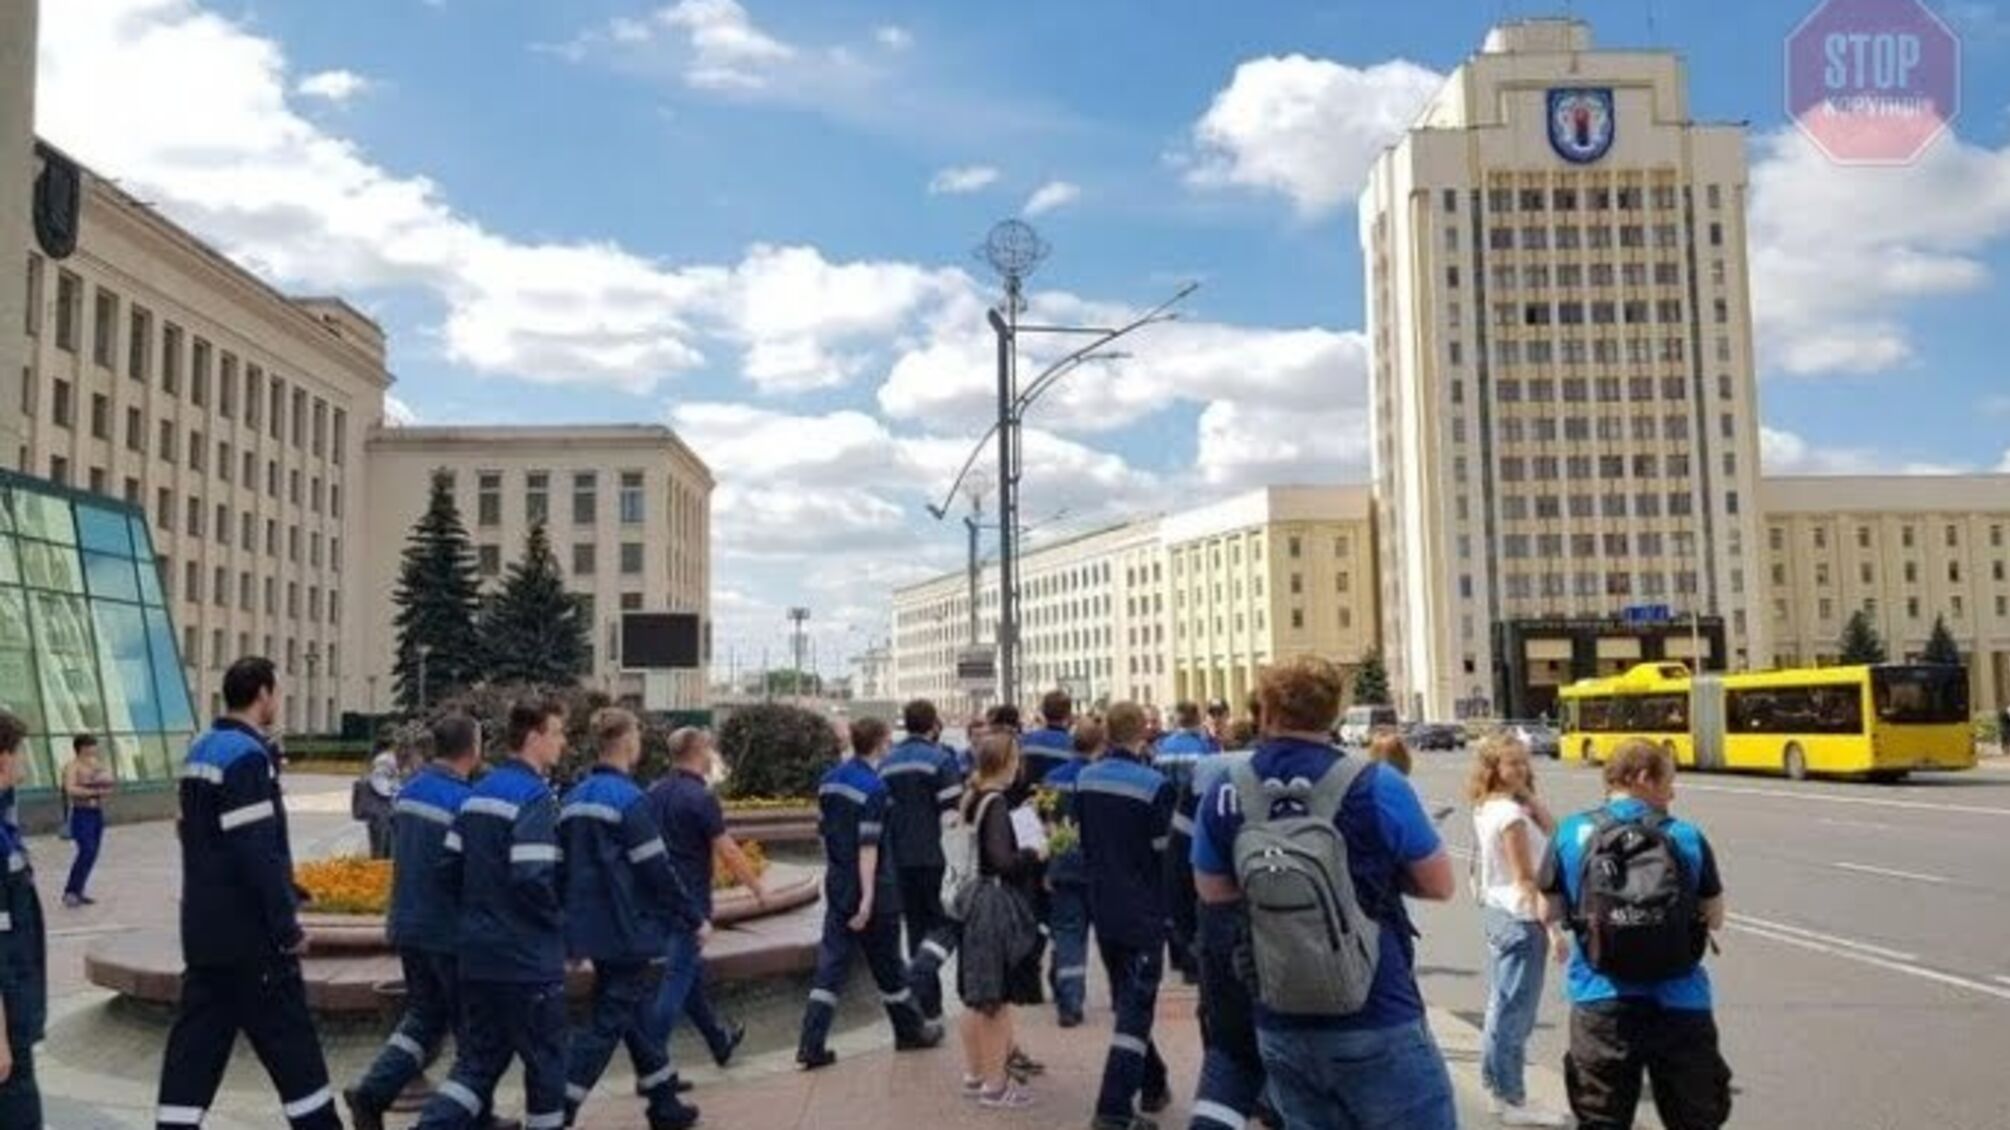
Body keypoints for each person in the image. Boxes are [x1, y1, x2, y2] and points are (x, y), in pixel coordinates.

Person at [1192, 656, 1459, 1130]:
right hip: (1378, 1007)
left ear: (1266, 710)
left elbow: (1213, 893)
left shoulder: (1225, 790)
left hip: (1280, 1014)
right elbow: (1440, 884)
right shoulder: (1376, 784)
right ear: (1335, 712)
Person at [155, 657, 341, 1130]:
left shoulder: (202, 749)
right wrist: (286, 928)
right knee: (296, 1058)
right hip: (253, 943)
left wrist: (290, 886)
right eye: (275, 692)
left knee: (193, 1057)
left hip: (205, 936)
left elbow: (202, 837)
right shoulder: (248, 757)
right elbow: (254, 851)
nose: (276, 701)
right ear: (262, 694)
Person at [1540, 739, 1731, 1130]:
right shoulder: (1686, 836)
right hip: (1680, 1001)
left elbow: (1549, 910)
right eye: (1668, 781)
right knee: (1696, 1119)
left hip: (1600, 998)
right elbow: (1715, 918)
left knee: (1601, 1120)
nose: (1673, 792)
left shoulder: (1573, 832)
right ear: (1643, 778)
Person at [347, 713, 512, 1130]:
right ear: (474, 750)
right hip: (449, 933)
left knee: (425, 1018)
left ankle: (372, 1094)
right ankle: (465, 1119)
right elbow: (473, 874)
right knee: (475, 1038)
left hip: (407, 923)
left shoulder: (410, 791)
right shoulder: (463, 802)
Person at [416, 698, 571, 1130]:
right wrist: (561, 925)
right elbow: (532, 877)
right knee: (546, 1067)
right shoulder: (535, 797)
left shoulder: (476, 795)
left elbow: (447, 871)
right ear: (535, 737)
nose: (563, 743)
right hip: (527, 961)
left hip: (477, 956)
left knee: (477, 1065)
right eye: (557, 733)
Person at [559, 708, 702, 1130]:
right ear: (625, 742)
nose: (640, 742)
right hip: (626, 928)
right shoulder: (629, 800)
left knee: (633, 1011)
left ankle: (663, 1104)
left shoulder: (572, 799)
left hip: (588, 929)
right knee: (607, 1021)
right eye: (637, 734)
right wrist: (693, 916)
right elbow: (657, 870)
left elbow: (560, 870)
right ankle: (559, 1105)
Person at [796, 716, 941, 1070]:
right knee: (889, 965)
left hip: (838, 884)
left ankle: (810, 1044)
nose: (890, 745)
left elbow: (824, 833)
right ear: (879, 743)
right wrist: (867, 899)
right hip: (873, 889)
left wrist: (843, 884)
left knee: (830, 968)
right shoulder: (874, 788)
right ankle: (910, 1032)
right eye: (888, 740)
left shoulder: (829, 781)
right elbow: (869, 848)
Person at [1078, 701, 1176, 1130]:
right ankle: (1113, 1109)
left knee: (1128, 1001)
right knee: (1135, 1009)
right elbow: (1164, 856)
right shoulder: (1155, 785)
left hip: (1102, 906)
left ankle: (1154, 1082)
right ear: (1144, 733)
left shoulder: (1085, 778)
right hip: (1143, 911)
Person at [647, 726, 762, 1071]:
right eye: (709, 750)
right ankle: (651, 1065)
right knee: (677, 980)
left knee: (689, 977)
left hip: (660, 898)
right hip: (690, 904)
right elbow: (726, 849)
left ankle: (719, 1041)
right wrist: (756, 888)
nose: (712, 757)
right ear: (699, 753)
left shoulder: (654, 792)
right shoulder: (700, 798)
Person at [1469, 736, 1568, 1127]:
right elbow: (1526, 878)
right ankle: (1511, 1097)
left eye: (1524, 763)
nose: (1521, 771)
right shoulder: (1509, 816)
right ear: (1493, 769)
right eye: (1511, 765)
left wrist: (1526, 791)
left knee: (1502, 1005)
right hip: (1522, 918)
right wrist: (1554, 930)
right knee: (1516, 1014)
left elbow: (1555, 831)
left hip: (1498, 913)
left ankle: (1497, 1088)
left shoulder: (1488, 806)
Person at [954, 731, 1047, 1109]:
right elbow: (1003, 861)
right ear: (1007, 762)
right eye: (1017, 758)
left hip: (972, 898)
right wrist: (1034, 852)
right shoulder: (994, 802)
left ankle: (976, 1074)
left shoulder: (973, 796)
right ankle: (995, 1085)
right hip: (992, 903)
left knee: (976, 996)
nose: (1019, 764)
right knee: (993, 998)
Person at [879, 700, 964, 1022]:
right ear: (933, 724)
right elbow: (952, 816)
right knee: (946, 925)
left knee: (916, 929)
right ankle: (918, 978)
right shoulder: (941, 760)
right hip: (935, 856)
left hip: (900, 859)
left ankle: (928, 1008)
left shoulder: (887, 763)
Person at [0, 710, 48, 1124]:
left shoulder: (4, 823)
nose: (25, 765)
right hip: (7, 1014)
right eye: (20, 753)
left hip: (17, 1001)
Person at [1039, 719, 1101, 1027]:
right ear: (1099, 746)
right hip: (1097, 865)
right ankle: (1122, 995)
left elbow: (1045, 821)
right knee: (1106, 932)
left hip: (1063, 862)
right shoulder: (1099, 778)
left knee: (1067, 933)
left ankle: (1069, 1001)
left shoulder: (1051, 778)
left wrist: (1050, 860)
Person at [1155, 702, 1220, 985]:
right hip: (1198, 824)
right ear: (1197, 719)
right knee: (1196, 892)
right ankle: (1197, 954)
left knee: (1173, 891)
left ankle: (1178, 955)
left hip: (1170, 824)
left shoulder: (1164, 747)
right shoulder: (1204, 749)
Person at [61, 733, 114, 907]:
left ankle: (79, 890)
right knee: (87, 850)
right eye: (91, 745)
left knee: (93, 853)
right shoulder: (72, 766)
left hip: (95, 812)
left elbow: (108, 781)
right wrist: (92, 791)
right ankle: (71, 891)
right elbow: (70, 789)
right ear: (82, 747)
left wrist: (103, 783)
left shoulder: (95, 764)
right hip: (81, 813)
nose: (94, 749)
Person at [352, 743, 400, 861]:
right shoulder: (385, 760)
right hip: (382, 811)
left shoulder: (381, 758)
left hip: (380, 812)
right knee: (383, 850)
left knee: (381, 849)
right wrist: (396, 790)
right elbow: (381, 785)